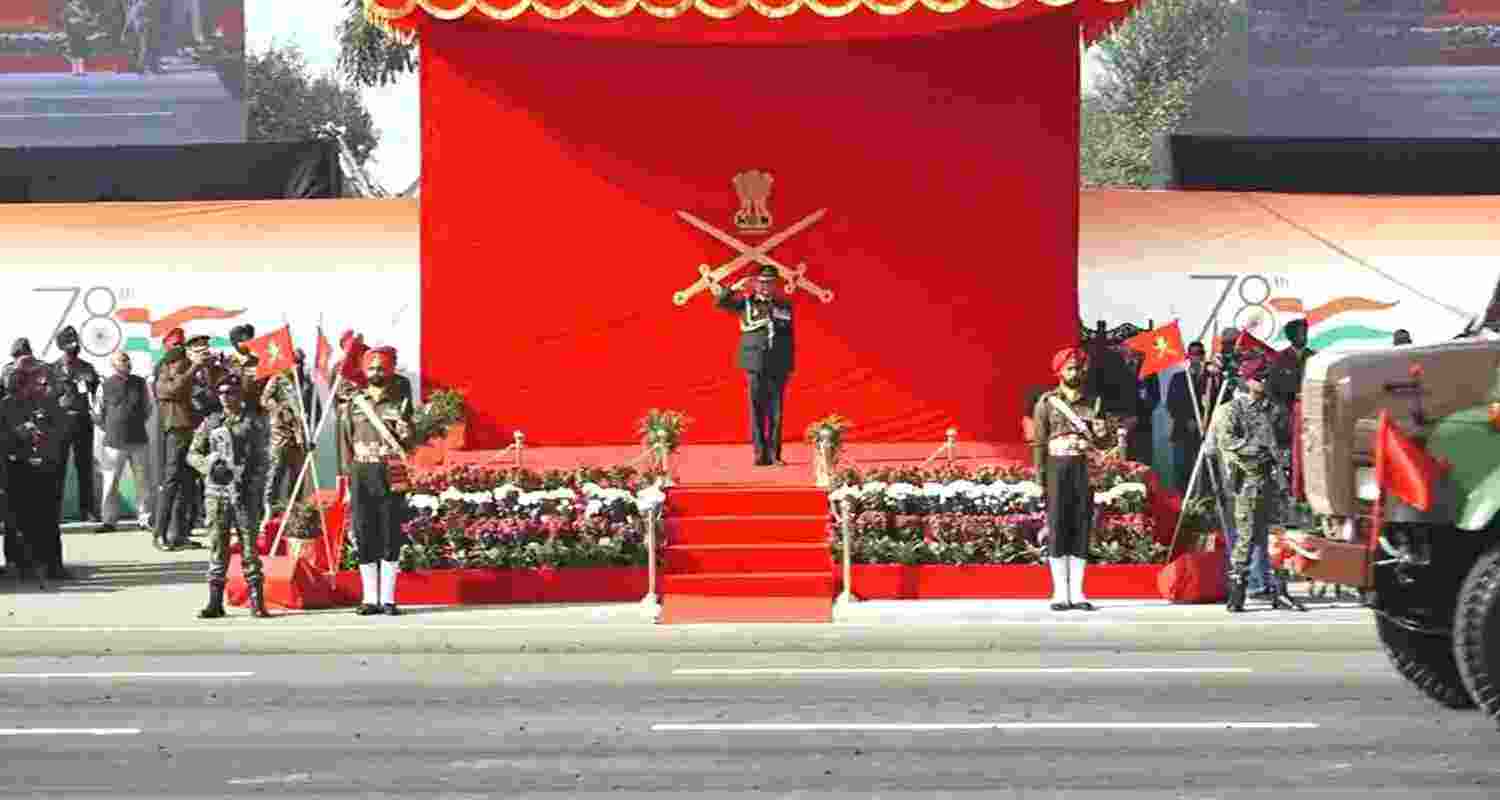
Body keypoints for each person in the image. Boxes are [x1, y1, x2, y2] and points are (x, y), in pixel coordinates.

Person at [1032, 347, 1113, 612]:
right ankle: (1059, 592)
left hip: (1083, 468)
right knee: (1057, 526)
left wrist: (1104, 432)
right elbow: (1039, 443)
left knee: (1080, 526)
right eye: (1069, 368)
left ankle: (1077, 592)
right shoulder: (1046, 403)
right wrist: (1039, 479)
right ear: (1059, 372)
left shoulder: (1094, 402)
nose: (1074, 372)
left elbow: (1104, 441)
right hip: (1056, 468)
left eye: (1078, 368)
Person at [340, 346, 414, 616]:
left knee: (390, 533)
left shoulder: (400, 403)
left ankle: (388, 599)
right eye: (371, 368)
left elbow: (409, 440)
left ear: (390, 371)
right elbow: (345, 443)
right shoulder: (354, 404)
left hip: (390, 471)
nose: (376, 373)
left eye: (381, 368)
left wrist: (407, 433)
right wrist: (345, 478)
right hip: (361, 471)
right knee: (363, 532)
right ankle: (369, 598)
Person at [187, 378, 269, 619]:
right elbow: (192, 454)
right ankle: (214, 601)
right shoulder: (211, 422)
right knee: (217, 546)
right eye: (221, 392)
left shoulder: (252, 423)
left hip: (244, 493)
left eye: (231, 392)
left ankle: (256, 600)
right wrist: (209, 466)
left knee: (248, 547)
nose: (225, 397)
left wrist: (252, 482)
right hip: (216, 493)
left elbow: (264, 459)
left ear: (239, 395)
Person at [1218, 356, 1289, 613]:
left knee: (1278, 535)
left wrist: (1282, 462)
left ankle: (1280, 589)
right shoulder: (1233, 409)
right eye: (1259, 377)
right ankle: (1238, 590)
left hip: (1273, 478)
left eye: (1266, 377)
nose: (1264, 381)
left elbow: (1286, 441)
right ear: (1247, 380)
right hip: (1249, 479)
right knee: (1246, 536)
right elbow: (1227, 441)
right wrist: (1254, 450)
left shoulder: (1275, 409)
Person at [711, 265, 794, 467]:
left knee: (776, 412)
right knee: (756, 409)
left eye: (770, 282)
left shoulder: (783, 305)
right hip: (754, 361)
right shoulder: (745, 303)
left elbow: (788, 336)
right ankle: (759, 453)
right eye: (762, 282)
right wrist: (735, 288)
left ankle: (774, 455)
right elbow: (720, 303)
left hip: (778, 363)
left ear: (776, 285)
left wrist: (789, 363)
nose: (766, 286)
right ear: (756, 284)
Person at [152, 334, 224, 550]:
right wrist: (194, 367)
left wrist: (212, 369)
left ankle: (180, 534)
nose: (204, 352)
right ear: (188, 351)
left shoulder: (203, 369)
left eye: (206, 348)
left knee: (188, 484)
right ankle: (159, 534)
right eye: (199, 349)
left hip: (197, 429)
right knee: (171, 482)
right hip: (177, 429)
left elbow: (213, 395)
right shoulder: (172, 366)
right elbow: (172, 390)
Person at [3, 358, 70, 580]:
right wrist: (19, 434)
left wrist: (45, 438)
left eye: (37, 379)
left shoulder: (49, 403)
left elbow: (61, 431)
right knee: (20, 519)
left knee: (49, 519)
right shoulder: (6, 405)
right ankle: (22, 563)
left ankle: (53, 565)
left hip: (46, 467)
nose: (37, 384)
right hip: (18, 468)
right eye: (30, 379)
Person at [95, 352, 152, 533]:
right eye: (122, 360)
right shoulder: (105, 385)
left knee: (143, 481)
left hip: (138, 439)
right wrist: (111, 428)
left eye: (128, 360)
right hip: (114, 442)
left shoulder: (140, 383)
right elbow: (98, 413)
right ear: (113, 365)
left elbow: (148, 408)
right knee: (111, 482)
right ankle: (109, 521)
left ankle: (145, 519)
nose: (127, 363)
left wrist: (133, 423)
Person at [51, 326, 101, 523]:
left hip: (82, 421)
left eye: (74, 347)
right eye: (68, 347)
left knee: (85, 468)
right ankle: (54, 511)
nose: (71, 351)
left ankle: (87, 510)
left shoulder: (87, 367)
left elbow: (98, 393)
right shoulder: (51, 369)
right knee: (57, 468)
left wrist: (91, 384)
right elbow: (44, 396)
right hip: (60, 423)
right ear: (61, 348)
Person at [260, 364, 311, 517]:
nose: (298, 365)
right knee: (276, 472)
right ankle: (270, 509)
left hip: (300, 436)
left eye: (300, 362)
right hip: (281, 433)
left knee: (298, 475)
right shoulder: (278, 378)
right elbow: (264, 399)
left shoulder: (306, 381)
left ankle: (294, 509)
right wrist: (282, 410)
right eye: (295, 361)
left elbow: (312, 405)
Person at [1165, 342, 1210, 493]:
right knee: (1181, 470)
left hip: (1203, 432)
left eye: (1199, 353)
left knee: (1204, 471)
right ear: (1188, 356)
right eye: (1193, 354)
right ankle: (1181, 504)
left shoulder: (1209, 379)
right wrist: (1187, 419)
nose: (1196, 357)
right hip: (1181, 431)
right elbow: (1171, 404)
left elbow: (1215, 402)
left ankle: (1203, 503)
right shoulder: (1178, 378)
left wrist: (1202, 422)